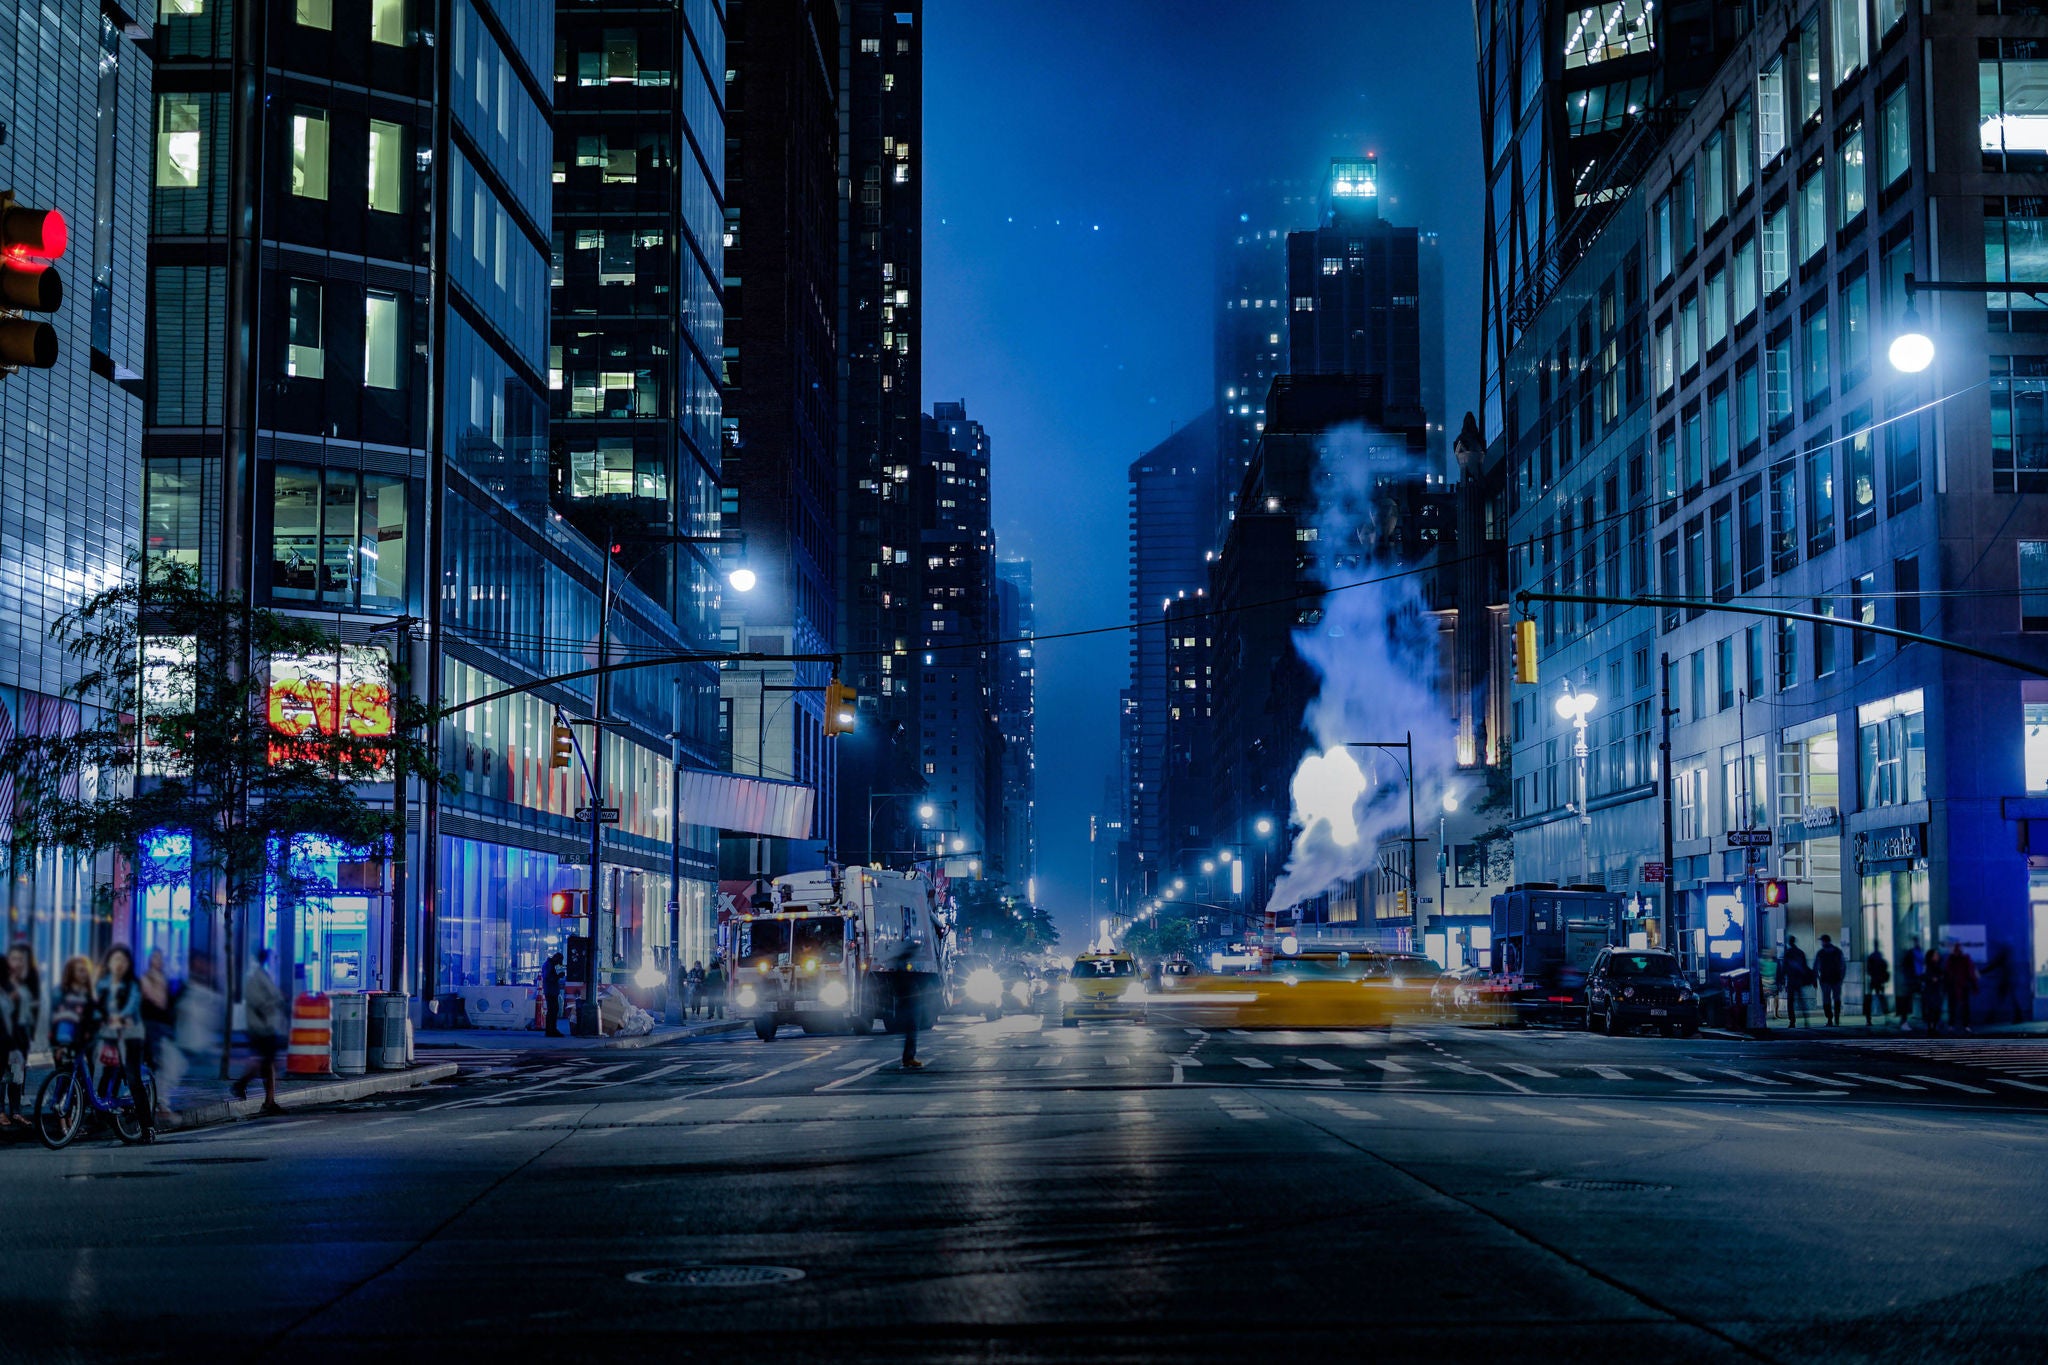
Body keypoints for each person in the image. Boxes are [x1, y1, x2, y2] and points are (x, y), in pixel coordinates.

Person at [95, 945, 153, 1143]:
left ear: (128, 964)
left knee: (133, 1078)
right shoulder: (103, 984)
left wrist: (120, 1017)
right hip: (110, 1035)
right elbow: (93, 1005)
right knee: (106, 1076)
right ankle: (105, 1114)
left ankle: (147, 1127)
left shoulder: (132, 984)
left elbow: (132, 1004)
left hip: (131, 1035)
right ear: (109, 962)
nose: (119, 964)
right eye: (115, 959)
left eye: (123, 960)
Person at [231, 949, 288, 1115]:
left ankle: (268, 1101)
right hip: (261, 1026)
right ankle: (243, 1085)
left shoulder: (263, 974)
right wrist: (273, 1003)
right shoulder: (255, 976)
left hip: (266, 1026)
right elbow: (258, 1001)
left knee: (267, 1062)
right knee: (266, 1062)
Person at [3, 944, 37, 1128]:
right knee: (3, 1074)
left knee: (17, 1073)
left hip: (20, 1035)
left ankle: (15, 1112)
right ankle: (1, 1112)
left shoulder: (26, 982)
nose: (17, 962)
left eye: (21, 959)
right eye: (14, 958)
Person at [139, 948, 175, 1074]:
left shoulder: (165, 978)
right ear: (150, 960)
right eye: (155, 957)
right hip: (150, 1021)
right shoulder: (146, 978)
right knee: (153, 1054)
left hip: (163, 1022)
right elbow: (156, 1000)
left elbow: (167, 1002)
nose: (158, 961)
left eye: (160, 958)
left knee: (162, 1055)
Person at [1944, 942, 1981, 1033]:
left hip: (1957, 986)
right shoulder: (1963, 958)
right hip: (1961, 985)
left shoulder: (1952, 959)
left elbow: (1948, 973)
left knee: (1955, 1006)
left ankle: (1954, 1025)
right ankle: (1963, 1025)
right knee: (1961, 1007)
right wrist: (1974, 986)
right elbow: (1971, 973)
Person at [1813, 934, 1846, 1027]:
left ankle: (1830, 1019)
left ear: (1825, 941)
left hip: (1825, 980)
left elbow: (1816, 967)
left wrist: (1815, 979)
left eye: (1822, 941)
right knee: (1836, 999)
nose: (1821, 943)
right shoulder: (1838, 951)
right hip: (1835, 979)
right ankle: (1836, 1018)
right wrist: (1841, 978)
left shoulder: (1821, 953)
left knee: (1826, 1000)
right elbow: (1843, 966)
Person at [1780, 936, 1812, 1028]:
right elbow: (1805, 967)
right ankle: (1806, 1019)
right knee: (1801, 1000)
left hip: (1791, 980)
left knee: (1790, 1001)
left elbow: (1784, 968)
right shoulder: (1800, 953)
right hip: (1799, 980)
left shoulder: (1788, 953)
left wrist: (1782, 979)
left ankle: (1792, 1021)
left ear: (1789, 942)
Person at [1896, 938, 1922, 1025]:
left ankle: (1904, 1020)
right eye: (1916, 941)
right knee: (1906, 1000)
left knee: (1907, 1000)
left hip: (1916, 978)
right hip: (1911, 979)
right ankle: (1903, 1021)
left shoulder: (1918, 951)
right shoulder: (1911, 953)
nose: (1916, 943)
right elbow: (1905, 966)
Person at [541, 947, 566, 1037]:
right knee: (552, 1010)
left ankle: (551, 1030)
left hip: (551, 990)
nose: (558, 964)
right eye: (559, 961)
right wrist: (558, 976)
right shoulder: (549, 965)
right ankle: (551, 1030)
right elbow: (548, 978)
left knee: (553, 1010)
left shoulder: (550, 964)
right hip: (550, 991)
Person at [1863, 947, 1890, 1026]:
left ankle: (1868, 1019)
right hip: (1879, 981)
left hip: (1873, 980)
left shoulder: (1871, 959)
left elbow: (1868, 970)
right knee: (1881, 998)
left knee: (1869, 999)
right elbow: (1885, 969)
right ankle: (1886, 1017)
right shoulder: (1881, 960)